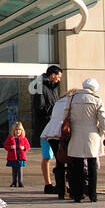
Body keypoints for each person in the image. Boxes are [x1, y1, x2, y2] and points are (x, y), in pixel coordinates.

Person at [66, 78, 105, 203]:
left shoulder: (72, 98)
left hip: (76, 133)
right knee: (92, 165)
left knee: (77, 166)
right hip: (92, 133)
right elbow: (103, 120)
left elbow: (64, 115)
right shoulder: (97, 99)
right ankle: (93, 195)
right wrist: (100, 132)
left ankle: (78, 195)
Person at [40, 87, 80, 199]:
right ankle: (71, 189)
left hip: (50, 132)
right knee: (70, 161)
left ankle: (61, 191)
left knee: (59, 161)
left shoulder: (59, 102)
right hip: (62, 132)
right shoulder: (72, 102)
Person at [30, 64, 62, 193]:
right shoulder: (41, 87)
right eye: (59, 77)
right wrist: (53, 115)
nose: (59, 79)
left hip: (53, 125)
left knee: (57, 157)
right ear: (53, 75)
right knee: (47, 157)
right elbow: (40, 107)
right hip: (46, 127)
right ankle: (48, 184)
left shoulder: (53, 88)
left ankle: (58, 182)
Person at [4, 121, 31, 188]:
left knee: (20, 170)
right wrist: (10, 147)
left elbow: (28, 146)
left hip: (20, 157)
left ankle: (20, 182)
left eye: (19, 130)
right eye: (16, 130)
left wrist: (24, 147)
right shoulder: (10, 138)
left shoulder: (24, 139)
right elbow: (5, 145)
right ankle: (14, 182)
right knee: (14, 170)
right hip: (13, 157)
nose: (18, 131)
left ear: (22, 131)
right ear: (13, 131)